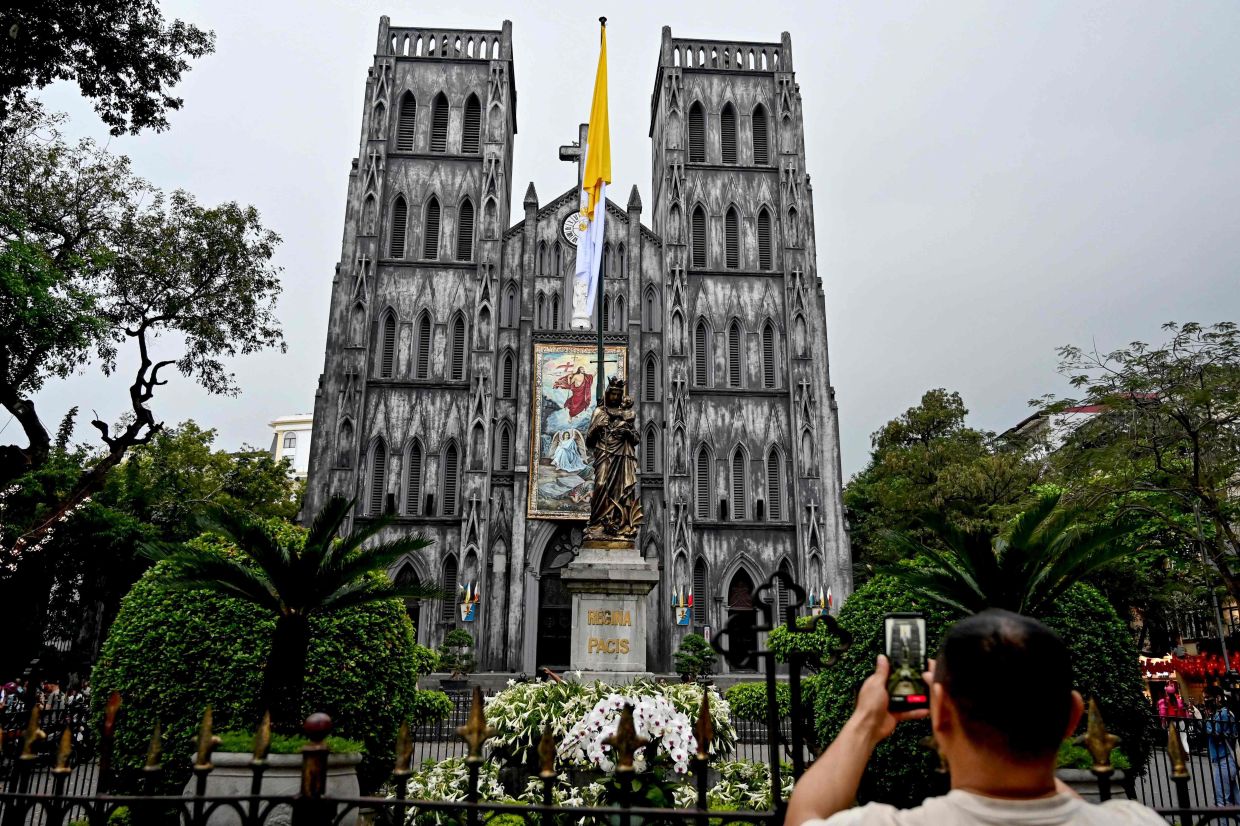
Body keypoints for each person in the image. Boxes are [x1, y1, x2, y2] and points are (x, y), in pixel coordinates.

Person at [786, 609, 1165, 825]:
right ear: (1073, 717)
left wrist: (865, 723)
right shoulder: (1137, 822)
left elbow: (804, 814)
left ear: (940, 715)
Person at [1203, 684, 1239, 807]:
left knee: (1221, 801)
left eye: (1208, 698)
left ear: (1218, 698)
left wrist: (1208, 718)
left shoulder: (1223, 714)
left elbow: (1215, 734)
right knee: (1235, 799)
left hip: (1224, 760)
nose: (1206, 701)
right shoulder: (1222, 713)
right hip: (1225, 759)